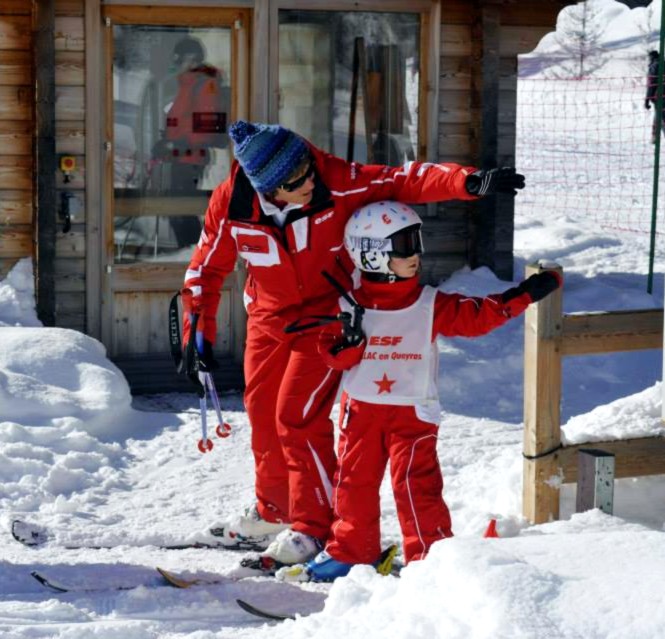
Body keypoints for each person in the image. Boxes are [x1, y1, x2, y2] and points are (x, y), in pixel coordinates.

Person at [181, 119, 526, 569]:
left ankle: (311, 528)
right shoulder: (232, 204)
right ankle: (275, 510)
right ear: (265, 188)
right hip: (269, 317)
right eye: (294, 181)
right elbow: (204, 271)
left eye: (307, 169)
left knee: (297, 417)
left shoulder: (338, 181)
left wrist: (466, 182)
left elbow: (405, 180)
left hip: (332, 317)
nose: (308, 182)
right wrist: (197, 336)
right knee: (263, 411)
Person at [276, 201, 561, 582]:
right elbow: (332, 356)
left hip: (413, 413)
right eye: (404, 245)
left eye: (416, 242)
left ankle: (431, 559)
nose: (416, 254)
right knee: (353, 485)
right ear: (372, 254)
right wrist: (349, 343)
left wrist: (526, 293)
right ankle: (350, 552)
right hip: (361, 411)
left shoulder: (429, 304)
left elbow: (478, 315)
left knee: (417, 488)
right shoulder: (346, 306)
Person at [153, 37, 229, 246]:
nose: (176, 64)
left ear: (193, 59)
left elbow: (205, 127)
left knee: (181, 209)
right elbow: (180, 119)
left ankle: (194, 251)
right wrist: (166, 142)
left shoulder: (205, 85)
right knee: (175, 209)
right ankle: (190, 250)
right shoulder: (186, 84)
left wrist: (176, 143)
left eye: (180, 59)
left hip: (191, 158)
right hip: (180, 156)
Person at [644, 50, 664, 144]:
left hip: (659, 96)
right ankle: (654, 136)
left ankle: (655, 136)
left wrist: (647, 99)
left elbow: (651, 83)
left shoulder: (654, 66)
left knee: (660, 116)